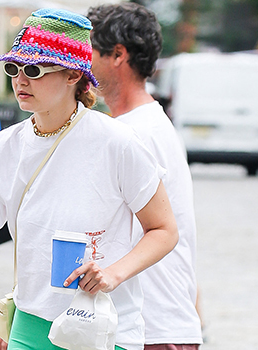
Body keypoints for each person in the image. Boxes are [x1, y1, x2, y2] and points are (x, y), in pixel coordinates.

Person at [0, 9, 179, 350]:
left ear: (73, 74)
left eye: (34, 69)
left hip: (103, 326)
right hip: (29, 327)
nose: (20, 80)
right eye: (14, 68)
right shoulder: (3, 148)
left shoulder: (117, 142)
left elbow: (164, 230)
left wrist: (114, 273)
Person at [87, 3, 203, 349]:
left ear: (117, 55)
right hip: (155, 321)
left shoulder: (135, 133)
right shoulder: (146, 124)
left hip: (152, 326)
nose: (82, 62)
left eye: (88, 50)